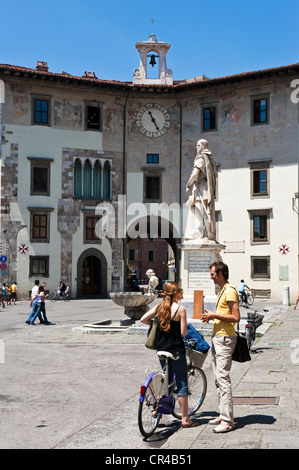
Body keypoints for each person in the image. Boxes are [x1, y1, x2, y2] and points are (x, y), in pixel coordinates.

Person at [140, 282, 198, 428]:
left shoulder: (159, 307)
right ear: (177, 293)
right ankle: (185, 419)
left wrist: (157, 323)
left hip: (160, 349)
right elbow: (184, 333)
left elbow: (143, 319)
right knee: (182, 383)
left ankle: (157, 410)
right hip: (176, 351)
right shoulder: (180, 309)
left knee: (166, 381)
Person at [201, 261, 240, 433]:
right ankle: (222, 413)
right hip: (218, 337)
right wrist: (211, 318)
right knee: (217, 377)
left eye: (212, 274)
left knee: (223, 378)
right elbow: (224, 315)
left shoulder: (230, 291)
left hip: (225, 339)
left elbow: (235, 317)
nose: (211, 277)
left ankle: (227, 421)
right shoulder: (222, 291)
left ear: (221, 274)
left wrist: (214, 314)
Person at [186, 138, 217, 240]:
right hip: (205, 187)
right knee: (203, 210)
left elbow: (195, 174)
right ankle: (204, 229)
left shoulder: (201, 158)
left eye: (198, 145)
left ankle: (203, 228)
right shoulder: (209, 158)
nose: (196, 147)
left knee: (202, 210)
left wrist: (188, 185)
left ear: (203, 146)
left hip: (202, 187)